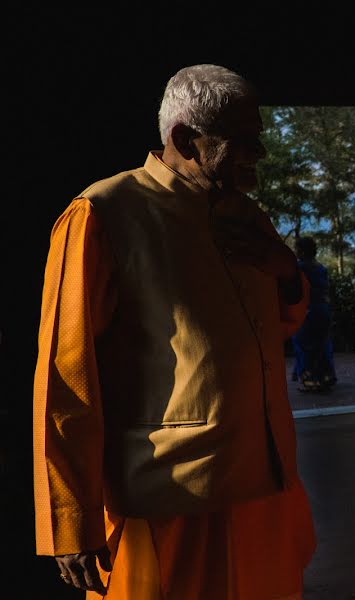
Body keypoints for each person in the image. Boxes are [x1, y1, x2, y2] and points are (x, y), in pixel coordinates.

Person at [33, 64, 317, 599]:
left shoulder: (247, 217)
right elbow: (64, 377)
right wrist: (71, 521)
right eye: (244, 140)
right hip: (170, 504)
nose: (259, 154)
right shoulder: (104, 213)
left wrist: (284, 271)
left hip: (267, 494)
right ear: (186, 138)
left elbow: (282, 325)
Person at [291, 236, 337, 391]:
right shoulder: (321, 268)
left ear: (302, 251)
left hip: (308, 312)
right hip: (323, 310)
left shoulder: (300, 269)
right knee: (322, 344)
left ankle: (310, 381)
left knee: (303, 344)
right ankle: (326, 376)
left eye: (297, 249)